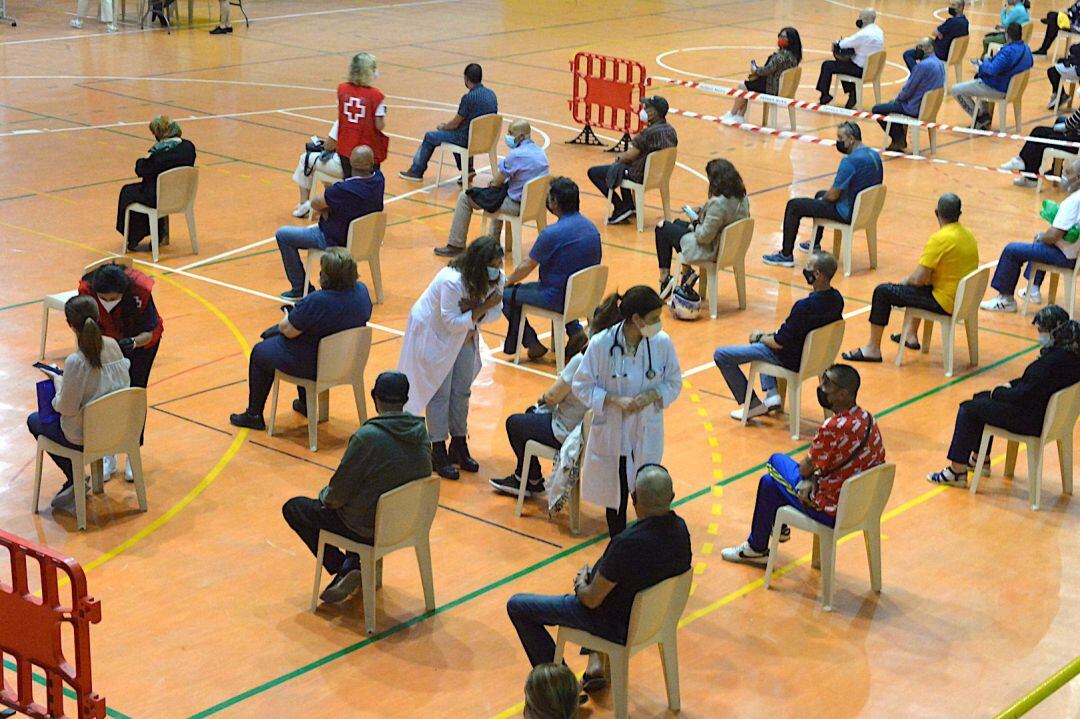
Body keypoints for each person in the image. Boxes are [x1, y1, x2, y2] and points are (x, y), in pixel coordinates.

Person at [506, 465, 691, 679]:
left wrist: (580, 585)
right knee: (604, 572)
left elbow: (591, 600)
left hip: (615, 626)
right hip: (655, 621)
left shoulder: (626, 544)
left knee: (519, 606)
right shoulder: (680, 530)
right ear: (672, 497)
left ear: (634, 499)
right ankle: (595, 662)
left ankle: (563, 687)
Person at [282, 371, 433, 603]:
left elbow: (334, 497)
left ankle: (342, 565)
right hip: (407, 523)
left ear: (375, 398)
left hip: (368, 528)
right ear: (405, 399)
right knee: (366, 495)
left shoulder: (368, 437)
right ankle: (353, 563)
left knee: (296, 508)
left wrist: (324, 496)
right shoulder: (421, 433)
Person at [721, 364, 885, 565]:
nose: (821, 388)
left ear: (842, 394)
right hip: (861, 503)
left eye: (827, 384)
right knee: (769, 485)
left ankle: (766, 538)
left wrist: (811, 479)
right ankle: (758, 546)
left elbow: (804, 469)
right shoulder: (868, 419)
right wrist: (815, 478)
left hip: (832, 510)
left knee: (775, 462)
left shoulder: (832, 427)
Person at [572, 287, 682, 537]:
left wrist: (653, 395)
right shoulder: (602, 344)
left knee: (648, 492)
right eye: (653, 319)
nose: (658, 324)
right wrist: (612, 399)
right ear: (636, 319)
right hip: (614, 431)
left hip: (646, 428)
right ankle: (618, 543)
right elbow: (581, 385)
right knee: (617, 495)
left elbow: (675, 381)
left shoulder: (661, 343)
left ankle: (648, 541)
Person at [928, 310, 1080, 487]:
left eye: (1041, 331)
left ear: (1054, 331)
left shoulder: (1050, 362)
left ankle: (956, 471)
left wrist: (998, 392)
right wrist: (1010, 385)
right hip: (1051, 418)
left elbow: (1024, 394)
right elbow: (1035, 385)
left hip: (1031, 420)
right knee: (980, 398)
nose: (1040, 336)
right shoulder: (1070, 357)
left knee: (968, 409)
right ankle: (980, 459)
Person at [489, 296, 622, 498]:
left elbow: (552, 396)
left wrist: (542, 397)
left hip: (568, 430)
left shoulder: (582, 360)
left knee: (515, 423)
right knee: (531, 416)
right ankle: (529, 477)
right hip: (597, 433)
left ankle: (527, 479)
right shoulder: (622, 363)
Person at [397, 237, 505, 480]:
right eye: (493, 264)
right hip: (434, 333)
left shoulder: (497, 277)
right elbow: (449, 321)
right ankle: (437, 449)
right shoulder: (453, 280)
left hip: (465, 334)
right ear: (479, 264)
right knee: (440, 392)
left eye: (500, 263)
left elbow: (496, 312)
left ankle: (459, 443)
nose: (498, 269)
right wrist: (478, 311)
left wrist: (473, 321)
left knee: (462, 389)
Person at [229, 248, 373, 431]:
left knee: (261, 351)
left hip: (315, 364)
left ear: (326, 275)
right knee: (300, 338)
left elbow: (288, 330)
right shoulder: (361, 292)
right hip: (348, 360)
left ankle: (254, 413)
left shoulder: (317, 301)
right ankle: (305, 403)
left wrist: (288, 314)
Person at [843, 193, 979, 362]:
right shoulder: (968, 236)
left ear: (937, 213)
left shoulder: (940, 239)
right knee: (919, 287)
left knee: (883, 292)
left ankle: (873, 348)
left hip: (944, 302)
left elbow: (917, 279)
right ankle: (910, 335)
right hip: (963, 300)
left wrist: (904, 282)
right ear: (960, 214)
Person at [27, 296, 130, 511]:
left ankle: (74, 477)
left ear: (70, 324)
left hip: (87, 435)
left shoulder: (76, 361)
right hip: (117, 428)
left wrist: (58, 381)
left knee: (35, 420)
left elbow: (66, 407)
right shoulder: (113, 346)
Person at [714, 252, 844, 420]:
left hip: (791, 359)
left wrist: (760, 337)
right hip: (817, 358)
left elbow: (778, 342)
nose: (805, 270)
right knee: (765, 343)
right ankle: (772, 394)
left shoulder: (804, 307)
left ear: (818, 274)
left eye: (808, 267)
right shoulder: (837, 299)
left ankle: (753, 403)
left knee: (723, 355)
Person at [501, 177, 602, 361]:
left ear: (554, 202)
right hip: (584, 296)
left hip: (556, 297)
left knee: (505, 295)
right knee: (566, 278)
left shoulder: (551, 234)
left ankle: (532, 343)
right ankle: (575, 330)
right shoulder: (591, 228)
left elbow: (527, 266)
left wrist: (506, 282)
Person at [763, 122, 883, 267]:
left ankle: (786, 254)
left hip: (847, 213)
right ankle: (815, 243)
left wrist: (822, 200)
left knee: (794, 206)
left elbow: (832, 196)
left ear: (851, 139)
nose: (838, 142)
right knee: (820, 193)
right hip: (865, 211)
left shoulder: (849, 161)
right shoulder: (874, 155)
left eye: (841, 138)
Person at [275, 145, 384, 300]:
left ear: (351, 163)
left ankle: (299, 288)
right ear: (371, 163)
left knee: (283, 235)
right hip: (367, 241)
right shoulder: (379, 180)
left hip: (335, 239)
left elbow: (315, 203)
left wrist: (327, 209)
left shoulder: (342, 189)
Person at [434, 119, 549, 258]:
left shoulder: (516, 155)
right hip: (534, 204)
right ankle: (493, 243)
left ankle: (456, 244)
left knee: (466, 197)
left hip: (517, 205)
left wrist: (492, 184)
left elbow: (496, 181)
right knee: (497, 198)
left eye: (511, 133)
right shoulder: (540, 152)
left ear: (521, 136)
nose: (508, 136)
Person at [981, 160, 1080, 311]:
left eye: (1068, 173)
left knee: (1012, 250)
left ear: (1078, 178)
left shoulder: (1073, 201)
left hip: (1065, 257)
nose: (1064, 177)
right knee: (1040, 244)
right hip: (1075, 255)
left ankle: (1005, 299)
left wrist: (1043, 236)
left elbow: (1054, 235)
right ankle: (1033, 289)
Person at [654, 158, 750, 298]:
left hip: (712, 249)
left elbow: (703, 237)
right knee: (676, 223)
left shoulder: (717, 204)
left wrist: (696, 222)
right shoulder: (741, 198)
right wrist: (703, 212)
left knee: (662, 227)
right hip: (731, 248)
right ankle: (687, 273)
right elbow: (723, 219)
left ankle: (664, 278)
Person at [586, 96, 678, 226]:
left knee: (596, 172)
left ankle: (621, 206)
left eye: (646, 108)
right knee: (623, 168)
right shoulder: (671, 131)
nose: (643, 110)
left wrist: (619, 157)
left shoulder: (648, 133)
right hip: (659, 175)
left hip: (639, 175)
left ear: (653, 113)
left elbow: (629, 156)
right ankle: (629, 205)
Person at [398, 63, 498, 183]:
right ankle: (468, 169)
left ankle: (416, 171)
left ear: (466, 79)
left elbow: (455, 123)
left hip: (467, 140)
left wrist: (443, 127)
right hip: (485, 139)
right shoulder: (491, 94)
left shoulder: (468, 98)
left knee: (431, 136)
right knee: (456, 133)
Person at [116, 115, 196, 252]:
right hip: (181, 196)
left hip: (158, 198)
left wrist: (145, 159)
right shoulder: (188, 147)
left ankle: (133, 236)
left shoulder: (158, 155)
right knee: (147, 190)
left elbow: (141, 170)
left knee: (128, 192)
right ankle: (159, 232)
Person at [78, 263, 163, 390]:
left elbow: (149, 332)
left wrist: (132, 343)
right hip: (106, 341)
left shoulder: (139, 292)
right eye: (103, 298)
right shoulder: (86, 292)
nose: (108, 302)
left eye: (113, 298)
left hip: (140, 342)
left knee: (136, 388)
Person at [952, 22, 1033, 130]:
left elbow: (991, 70)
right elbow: (1031, 63)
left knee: (956, 90)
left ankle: (980, 117)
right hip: (1014, 89)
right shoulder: (1026, 48)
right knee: (978, 79)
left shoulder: (1008, 52)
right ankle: (985, 116)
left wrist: (985, 60)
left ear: (1007, 35)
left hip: (998, 88)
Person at [873, 37, 945, 152]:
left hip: (914, 107)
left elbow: (908, 89)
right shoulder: (940, 63)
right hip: (929, 108)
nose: (918, 50)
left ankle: (898, 139)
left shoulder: (923, 66)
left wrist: (898, 100)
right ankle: (899, 137)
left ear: (931, 48)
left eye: (921, 47)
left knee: (877, 109)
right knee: (892, 105)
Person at [720, 28, 802, 124]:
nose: (780, 38)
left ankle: (733, 113)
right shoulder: (794, 57)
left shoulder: (780, 57)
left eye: (783, 37)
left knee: (743, 87)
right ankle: (739, 116)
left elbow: (766, 71)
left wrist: (755, 70)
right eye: (780, 36)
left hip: (771, 87)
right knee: (747, 86)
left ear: (790, 40)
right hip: (783, 88)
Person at [815, 8, 885, 109]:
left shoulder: (864, 33)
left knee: (828, 65)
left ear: (864, 20)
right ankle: (852, 92)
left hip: (860, 70)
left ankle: (825, 95)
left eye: (860, 17)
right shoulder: (879, 32)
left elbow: (843, 44)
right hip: (872, 71)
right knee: (843, 62)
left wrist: (837, 42)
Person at [336, 53, 389, 177]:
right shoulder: (376, 96)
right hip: (366, 150)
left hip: (345, 147)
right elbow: (379, 126)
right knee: (368, 187)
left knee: (348, 184)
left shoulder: (342, 89)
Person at [998, 108, 1080, 187]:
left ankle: (1027, 170)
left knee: (1038, 133)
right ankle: (1033, 172)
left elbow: (1071, 123)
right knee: (1055, 123)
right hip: (1075, 135)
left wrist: (1065, 126)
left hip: (1075, 143)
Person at [291, 121, 342, 218]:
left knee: (305, 158)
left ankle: (304, 203)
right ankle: (329, 199)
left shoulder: (342, 120)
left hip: (340, 166)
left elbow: (330, 145)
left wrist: (323, 146)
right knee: (324, 164)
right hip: (360, 168)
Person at [904, 0, 969, 70]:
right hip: (954, 54)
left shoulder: (952, 22)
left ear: (960, 7)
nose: (950, 7)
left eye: (953, 5)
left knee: (909, 54)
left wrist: (940, 34)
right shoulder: (965, 22)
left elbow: (934, 32)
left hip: (940, 52)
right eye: (950, 4)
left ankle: (917, 74)